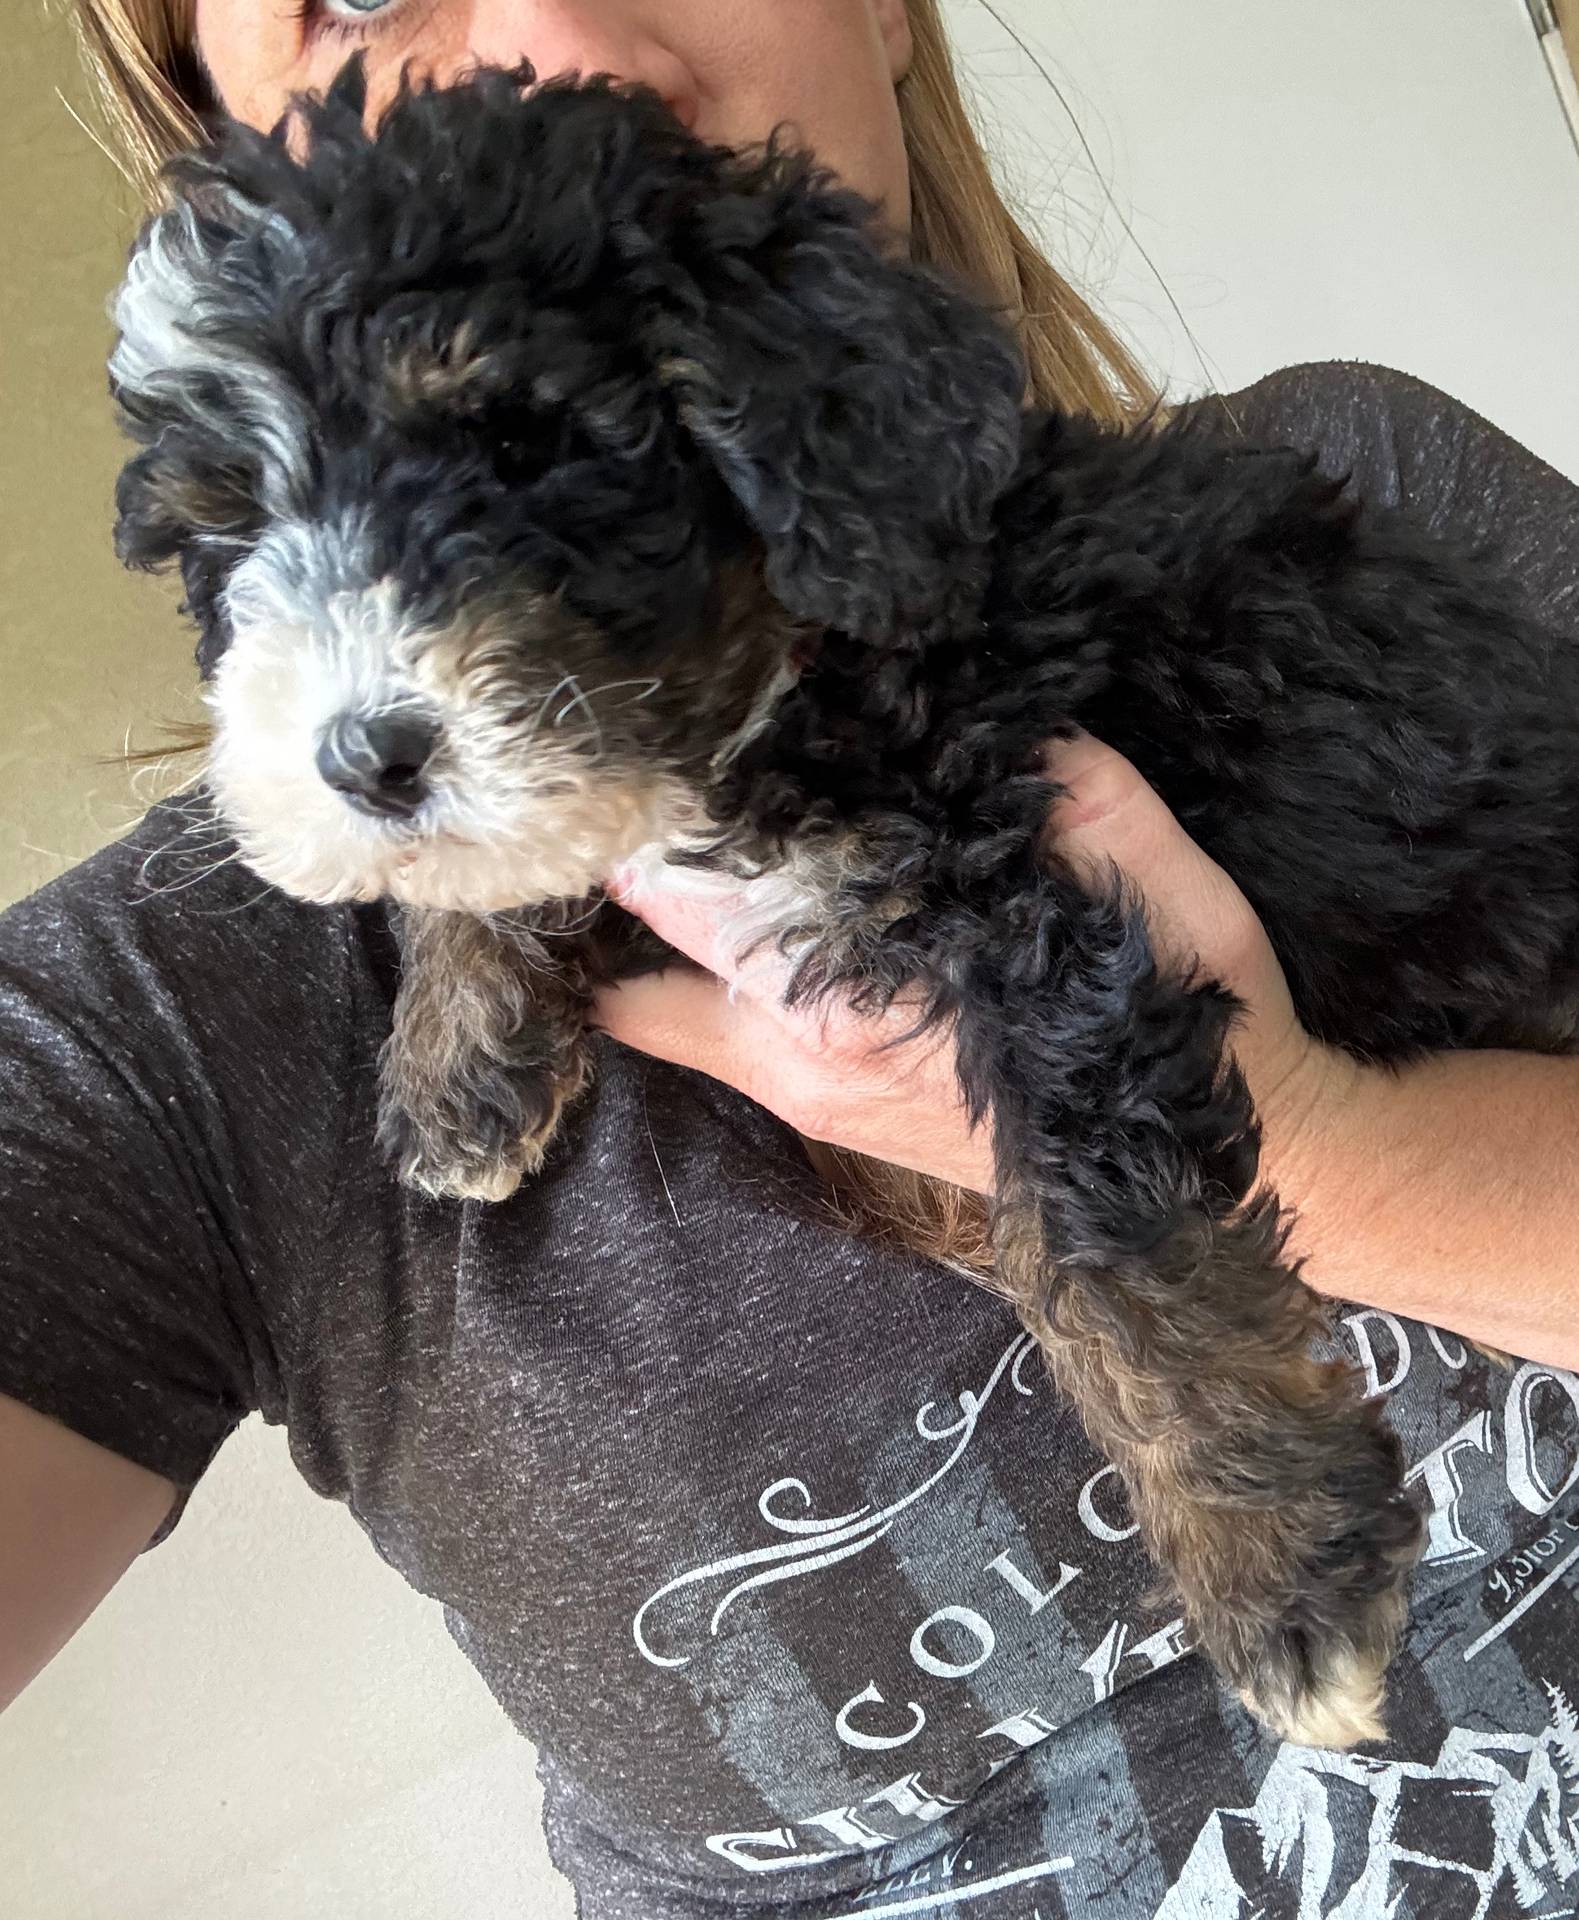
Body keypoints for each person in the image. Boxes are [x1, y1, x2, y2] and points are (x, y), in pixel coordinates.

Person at [4, 3, 1578, 1914]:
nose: (562, 37)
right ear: (213, 118)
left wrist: (1322, 1161)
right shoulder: (156, 1031)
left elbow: (1034, 954)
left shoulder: (1357, 477)